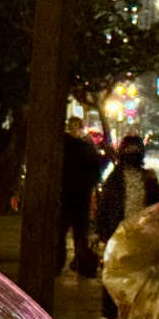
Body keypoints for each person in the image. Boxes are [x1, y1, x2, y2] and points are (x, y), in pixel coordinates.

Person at [96, 134, 159, 319]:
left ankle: (132, 314)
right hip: (118, 233)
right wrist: (103, 232)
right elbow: (106, 207)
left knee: (138, 276)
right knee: (113, 274)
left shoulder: (148, 178)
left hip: (141, 235)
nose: (132, 155)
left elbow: (156, 206)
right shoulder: (115, 178)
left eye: (135, 151)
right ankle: (109, 314)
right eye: (129, 151)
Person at [60, 117, 106, 277]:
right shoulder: (87, 148)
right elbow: (96, 173)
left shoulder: (62, 147)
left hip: (66, 196)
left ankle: (59, 264)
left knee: (61, 233)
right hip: (80, 196)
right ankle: (81, 263)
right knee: (79, 234)